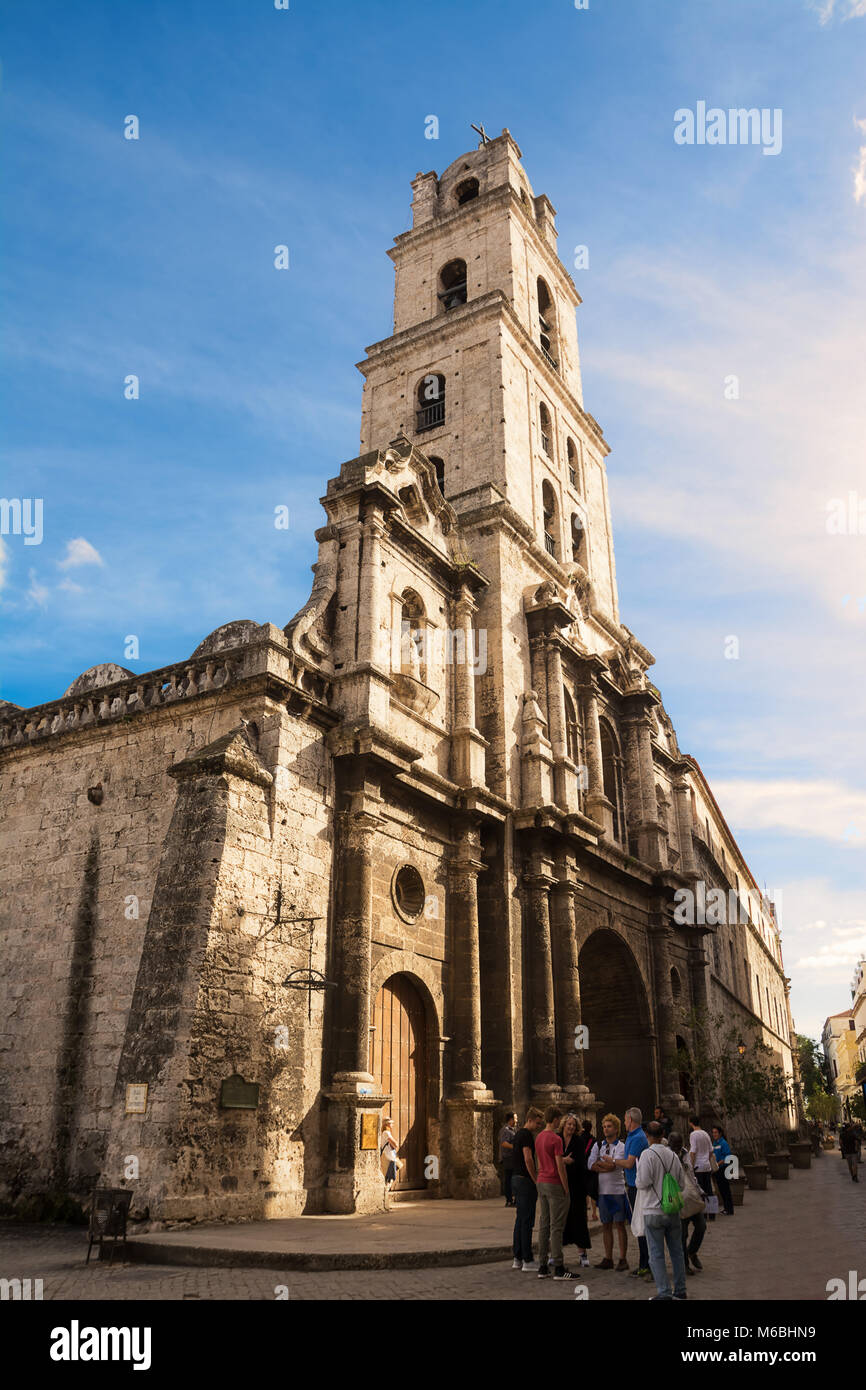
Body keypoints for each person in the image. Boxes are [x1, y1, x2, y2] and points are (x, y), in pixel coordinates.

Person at [635, 1120, 687, 1301]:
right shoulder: (673, 1155)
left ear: (647, 1135)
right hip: (672, 1208)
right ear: (663, 1134)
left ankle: (664, 1292)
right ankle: (680, 1290)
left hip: (652, 1210)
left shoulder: (646, 1155)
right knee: (677, 1252)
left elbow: (642, 1182)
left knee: (656, 1254)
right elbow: (681, 1184)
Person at [534, 1107, 574, 1281]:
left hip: (541, 1181)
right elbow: (560, 1166)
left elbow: (541, 1160)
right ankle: (558, 1266)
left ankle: (542, 1265)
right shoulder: (556, 1139)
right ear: (556, 1119)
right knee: (556, 1227)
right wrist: (566, 1188)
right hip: (554, 1183)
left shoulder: (539, 1137)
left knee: (544, 1224)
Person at [588, 1114, 629, 1270]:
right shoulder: (598, 1145)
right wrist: (604, 1164)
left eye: (609, 1126)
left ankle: (623, 1258)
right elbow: (590, 1164)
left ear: (616, 1128)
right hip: (602, 1191)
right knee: (606, 1224)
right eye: (604, 1126)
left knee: (619, 1225)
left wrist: (603, 1165)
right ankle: (608, 1257)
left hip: (617, 1190)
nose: (606, 1129)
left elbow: (614, 1167)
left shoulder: (621, 1147)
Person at [614, 1106, 651, 1280]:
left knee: (641, 1226)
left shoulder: (637, 1138)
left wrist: (612, 1160)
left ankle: (646, 1264)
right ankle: (645, 1263)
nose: (624, 1122)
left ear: (631, 1120)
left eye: (625, 1119)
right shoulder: (632, 1136)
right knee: (639, 1225)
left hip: (638, 1187)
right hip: (633, 1185)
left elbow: (629, 1164)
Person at [669, 1129, 707, 1275]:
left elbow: (691, 1175)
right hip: (678, 1198)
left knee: (701, 1226)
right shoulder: (667, 1156)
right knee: (682, 1233)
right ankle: (683, 1264)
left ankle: (692, 1251)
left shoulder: (685, 1154)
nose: (677, 1147)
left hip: (691, 1196)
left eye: (679, 1144)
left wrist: (700, 1191)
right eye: (674, 1145)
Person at [511, 1107, 545, 1271]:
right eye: (537, 1123)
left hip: (516, 1179)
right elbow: (528, 1159)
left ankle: (517, 1257)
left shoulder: (518, 1134)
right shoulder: (526, 1135)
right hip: (525, 1181)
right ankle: (527, 1259)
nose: (538, 1126)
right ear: (530, 1119)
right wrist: (536, 1179)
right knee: (527, 1221)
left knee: (520, 1220)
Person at [559, 1113, 591, 1267]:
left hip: (576, 1185)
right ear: (563, 1125)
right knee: (560, 1220)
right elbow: (555, 1159)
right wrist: (563, 1160)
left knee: (579, 1219)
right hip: (560, 1184)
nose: (571, 1127)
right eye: (568, 1124)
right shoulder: (557, 1138)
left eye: (573, 1124)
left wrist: (563, 1160)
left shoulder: (579, 1141)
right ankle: (557, 1254)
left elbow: (578, 1161)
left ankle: (582, 1254)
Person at [688, 1115, 715, 1219]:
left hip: (698, 1166)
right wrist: (707, 1159)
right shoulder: (706, 1134)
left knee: (700, 1190)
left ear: (691, 1123)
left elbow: (693, 1152)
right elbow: (711, 1150)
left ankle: (703, 1214)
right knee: (709, 1189)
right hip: (706, 1166)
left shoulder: (693, 1135)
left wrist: (691, 1165)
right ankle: (712, 1213)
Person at [711, 1125, 735, 1215]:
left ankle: (729, 1209)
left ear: (720, 1133)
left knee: (725, 1189)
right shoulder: (714, 1143)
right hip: (717, 1169)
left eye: (716, 1132)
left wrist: (717, 1164)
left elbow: (726, 1157)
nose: (714, 1134)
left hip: (723, 1168)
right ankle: (726, 1208)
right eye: (713, 1132)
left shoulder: (723, 1143)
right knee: (721, 1189)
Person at [380, 1117, 399, 1212]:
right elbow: (395, 1144)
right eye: (391, 1123)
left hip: (389, 1156)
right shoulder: (386, 1133)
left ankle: (385, 1202)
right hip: (389, 1157)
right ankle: (384, 1202)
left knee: (388, 1178)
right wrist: (396, 1144)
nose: (392, 1125)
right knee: (389, 1179)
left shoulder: (384, 1133)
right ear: (387, 1125)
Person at [498, 1111, 518, 1207]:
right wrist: (515, 1147)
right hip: (508, 1158)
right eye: (515, 1118)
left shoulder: (513, 1130)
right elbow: (504, 1143)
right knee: (509, 1179)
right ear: (510, 1120)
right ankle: (509, 1200)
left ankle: (513, 1199)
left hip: (512, 1158)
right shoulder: (505, 1130)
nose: (516, 1120)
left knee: (512, 1178)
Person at [581, 1120, 598, 1221]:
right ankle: (594, 1214)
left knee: (584, 1192)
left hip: (582, 1168)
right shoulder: (594, 1140)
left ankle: (585, 1215)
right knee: (592, 1191)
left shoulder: (579, 1138)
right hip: (591, 1168)